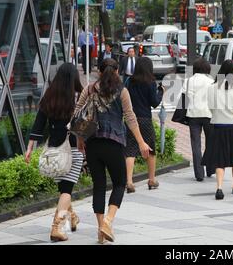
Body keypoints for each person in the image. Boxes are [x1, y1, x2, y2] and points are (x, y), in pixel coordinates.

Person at [75, 58, 151, 243]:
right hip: (114, 143)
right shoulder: (122, 91)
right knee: (120, 183)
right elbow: (130, 117)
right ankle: (108, 220)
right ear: (117, 72)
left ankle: (101, 231)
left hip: (92, 144)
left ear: (99, 72)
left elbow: (77, 112)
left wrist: (80, 138)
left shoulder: (90, 88)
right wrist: (141, 142)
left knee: (99, 185)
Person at [25, 63, 84, 242]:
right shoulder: (79, 98)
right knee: (67, 189)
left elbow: (39, 124)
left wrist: (29, 148)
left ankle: (72, 217)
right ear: (74, 78)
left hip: (54, 151)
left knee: (64, 189)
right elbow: (83, 127)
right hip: (73, 150)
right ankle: (56, 228)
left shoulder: (49, 97)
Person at [203, 60, 233, 200]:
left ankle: (219, 187)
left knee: (219, 159)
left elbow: (209, 107)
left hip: (217, 127)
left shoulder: (211, 88)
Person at [124, 57, 164, 193]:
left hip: (131, 119)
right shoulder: (151, 82)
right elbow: (154, 102)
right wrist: (161, 92)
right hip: (145, 120)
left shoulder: (129, 81)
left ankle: (129, 182)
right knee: (151, 149)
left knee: (130, 150)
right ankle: (152, 179)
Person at [183, 57, 214, 181]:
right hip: (208, 114)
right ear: (207, 68)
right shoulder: (210, 81)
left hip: (193, 115)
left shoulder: (188, 81)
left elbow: (184, 98)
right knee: (211, 142)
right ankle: (210, 169)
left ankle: (199, 173)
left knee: (195, 144)